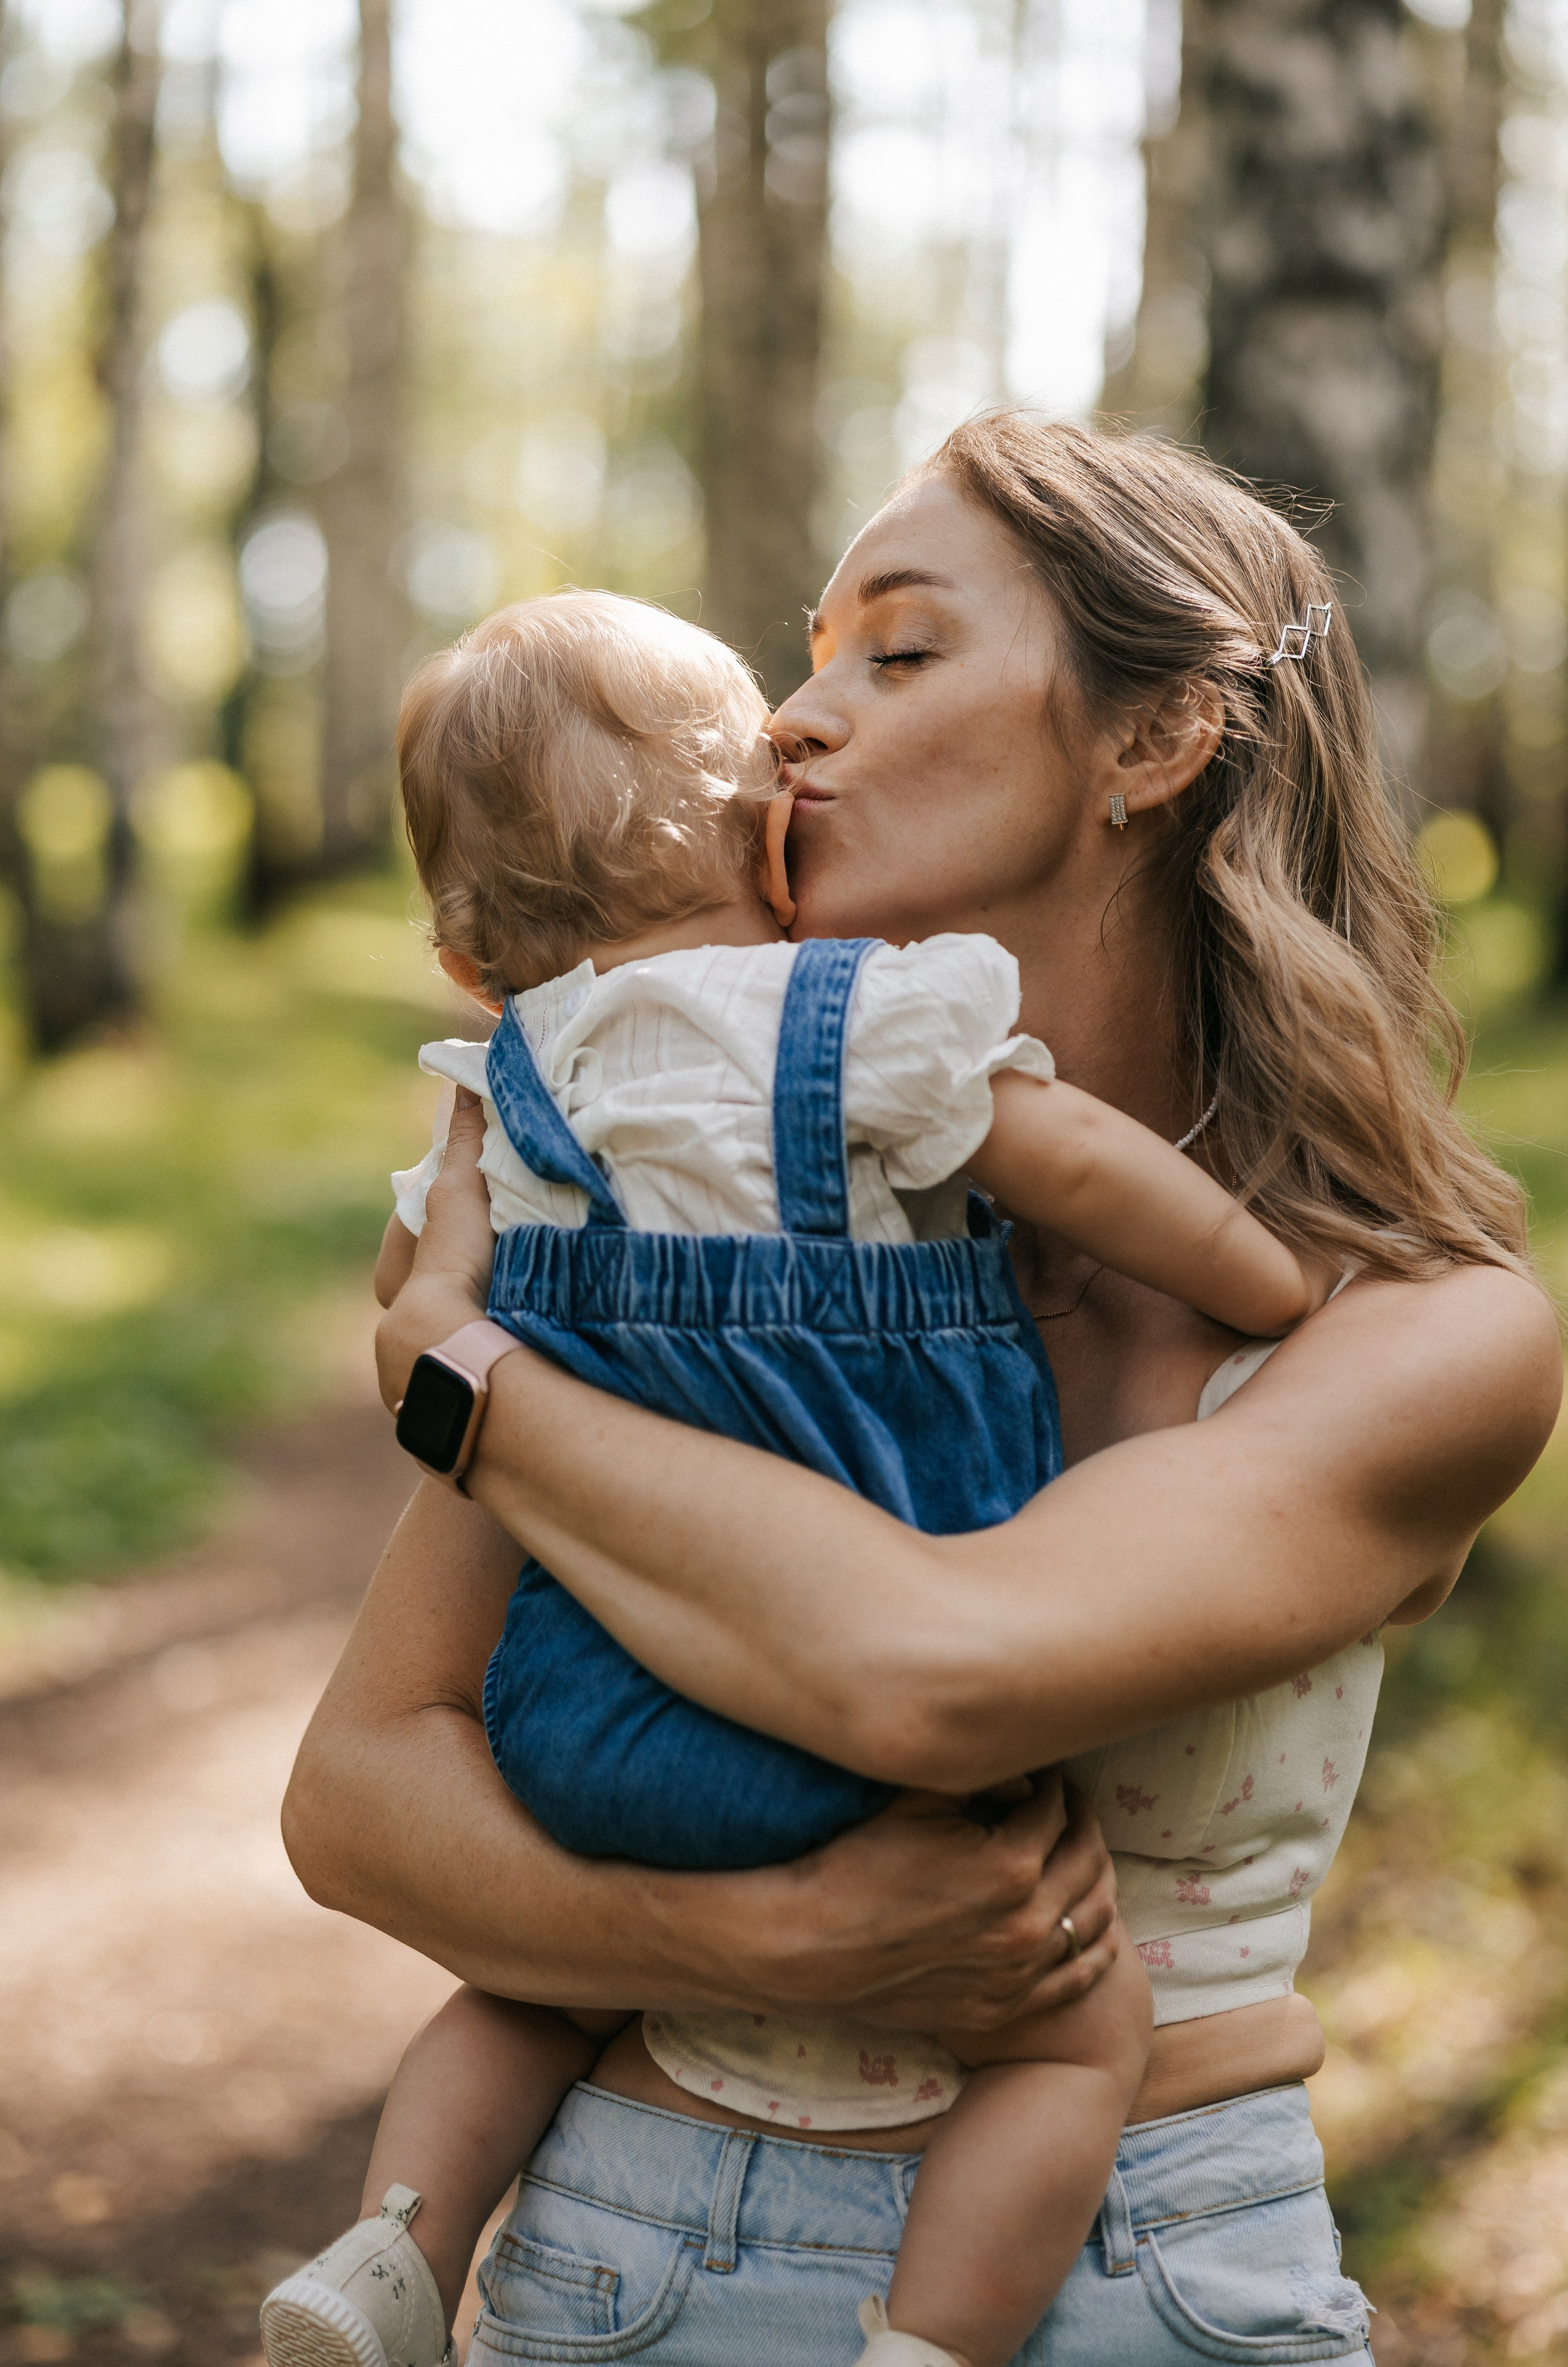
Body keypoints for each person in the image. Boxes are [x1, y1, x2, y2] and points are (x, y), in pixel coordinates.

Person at [284, 416, 1560, 2366]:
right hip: (624, 2259)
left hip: (1154, 2282)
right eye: (806, 656)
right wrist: (722, 1942)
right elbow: (359, 1795)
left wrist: (468, 1386)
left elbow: (930, 1672)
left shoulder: (1423, 1334)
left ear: (1152, 742)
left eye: (897, 652)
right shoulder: (684, 1214)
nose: (795, 721)